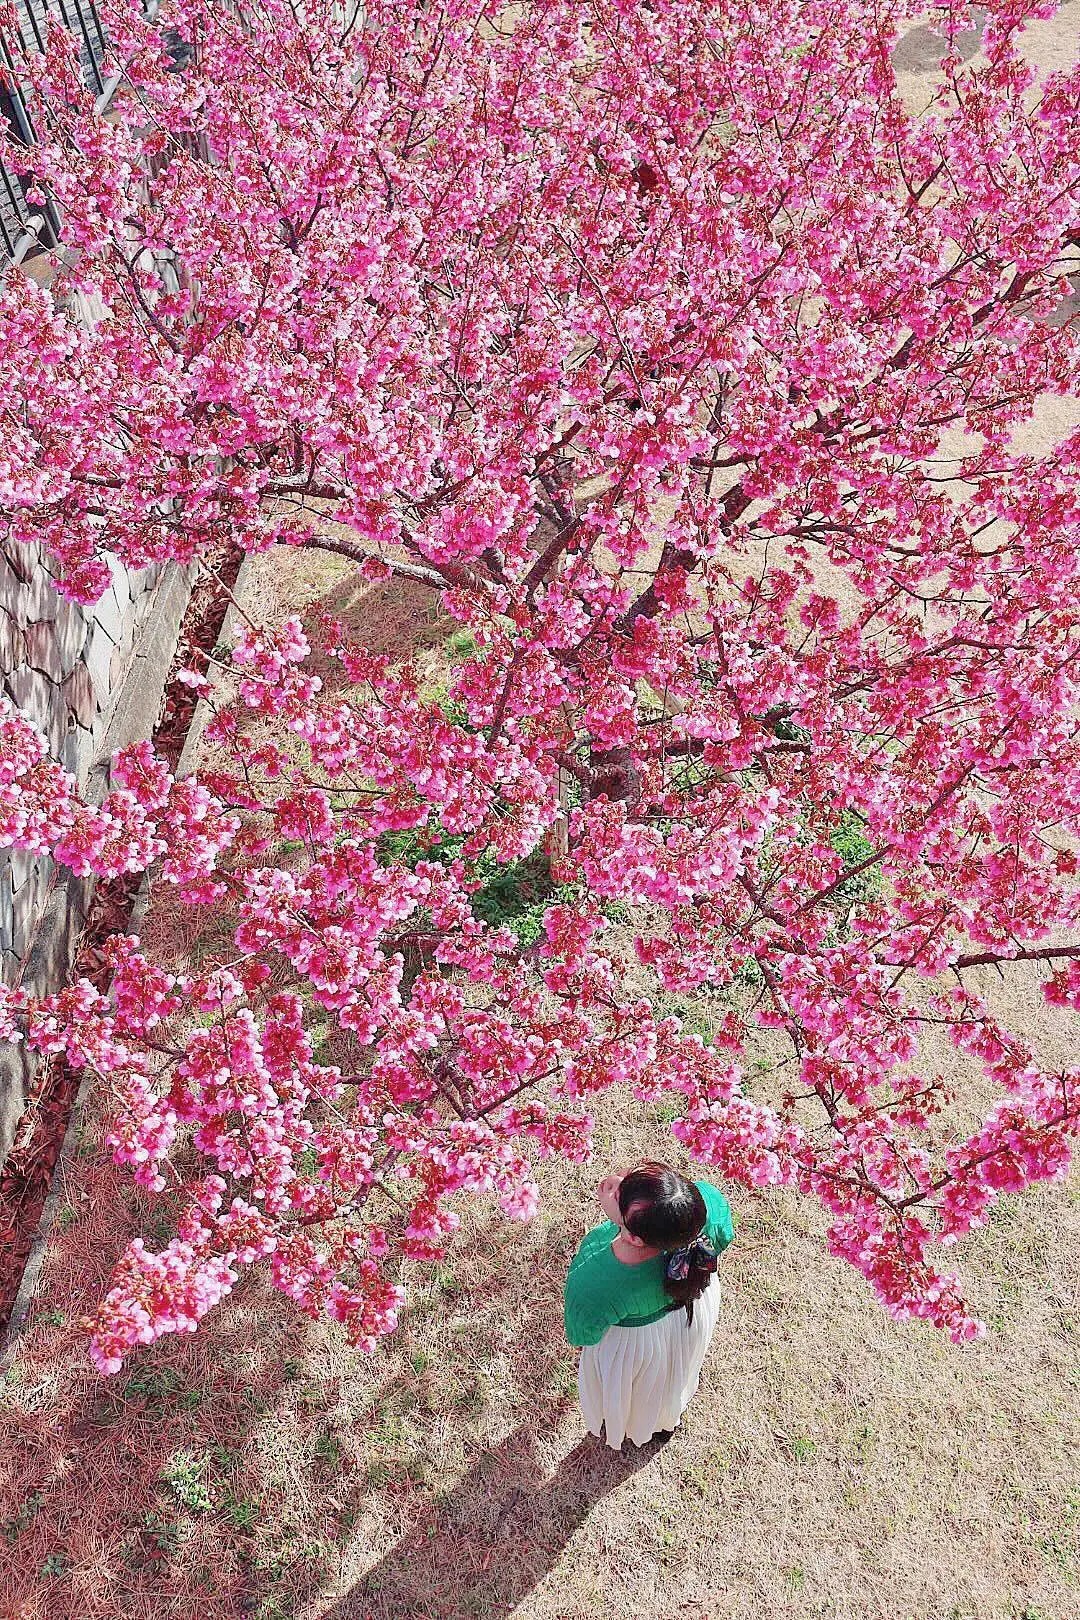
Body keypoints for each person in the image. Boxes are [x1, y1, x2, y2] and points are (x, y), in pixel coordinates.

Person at [563, 1160, 735, 1449]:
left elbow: (582, 1334)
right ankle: (665, 1420)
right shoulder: (711, 1202)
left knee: (640, 1389)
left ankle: (642, 1427)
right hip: (693, 1306)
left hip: (636, 1342)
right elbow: (724, 1235)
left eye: (620, 1195)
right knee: (674, 1373)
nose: (614, 1182)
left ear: (633, 1237)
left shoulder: (598, 1275)